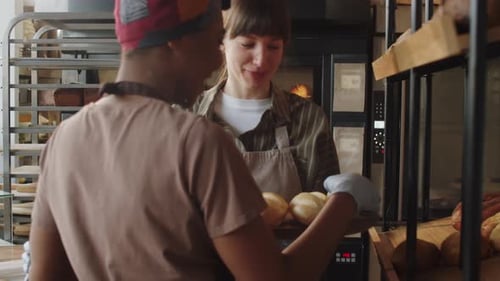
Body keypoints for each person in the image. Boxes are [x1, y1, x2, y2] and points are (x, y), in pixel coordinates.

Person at [28, 0, 377, 280]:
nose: (215, 60)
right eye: (213, 42)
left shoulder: (63, 140)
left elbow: (45, 274)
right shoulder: (197, 141)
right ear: (173, 40)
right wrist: (344, 200)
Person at [192, 0, 340, 201]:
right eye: (248, 44)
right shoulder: (189, 115)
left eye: (273, 46)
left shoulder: (310, 120)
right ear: (222, 42)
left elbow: (323, 210)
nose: (261, 60)